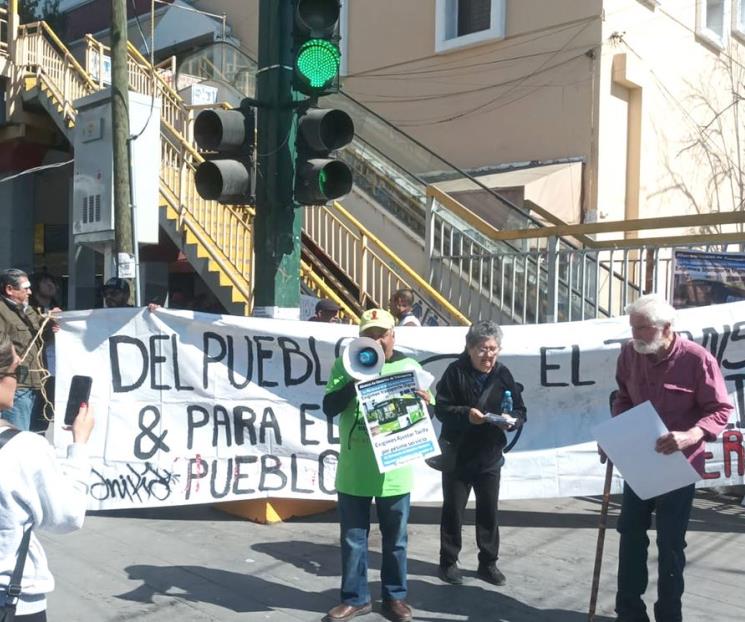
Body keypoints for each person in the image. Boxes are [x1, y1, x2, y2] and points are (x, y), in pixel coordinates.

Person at [606, 294, 732, 622]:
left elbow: (720, 410)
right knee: (630, 534)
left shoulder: (697, 359)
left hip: (680, 466)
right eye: (632, 328)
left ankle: (669, 615)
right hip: (639, 462)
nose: (635, 336)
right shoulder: (629, 355)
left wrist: (691, 435)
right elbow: (622, 398)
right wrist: (618, 433)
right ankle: (629, 612)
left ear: (666, 328)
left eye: (643, 329)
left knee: (670, 544)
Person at [323, 308, 432, 622]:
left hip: (394, 472)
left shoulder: (409, 366)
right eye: (368, 335)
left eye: (380, 334)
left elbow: (430, 414)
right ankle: (355, 598)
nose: (376, 340)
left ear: (392, 335)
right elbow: (329, 407)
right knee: (353, 539)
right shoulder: (345, 366)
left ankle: (394, 598)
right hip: (354, 470)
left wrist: (426, 403)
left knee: (395, 540)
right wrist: (352, 380)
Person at [0, 335, 94, 621]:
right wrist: (79, 445)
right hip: (12, 599)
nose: (19, 376)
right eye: (17, 372)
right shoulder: (24, 448)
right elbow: (68, 517)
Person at [434, 320, 526, 587]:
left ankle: (488, 562)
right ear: (470, 348)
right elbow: (441, 410)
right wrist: (466, 415)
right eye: (483, 349)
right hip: (458, 455)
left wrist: (512, 420)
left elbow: (521, 411)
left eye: (494, 349)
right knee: (453, 511)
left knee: (489, 512)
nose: (489, 356)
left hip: (489, 455)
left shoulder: (503, 373)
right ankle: (448, 561)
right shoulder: (454, 372)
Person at [0, 269, 56, 431]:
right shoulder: (1, 311)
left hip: (37, 383)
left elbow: (40, 335)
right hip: (17, 386)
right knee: (18, 437)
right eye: (25, 288)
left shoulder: (28, 310)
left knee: (36, 435)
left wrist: (52, 322)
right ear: (10, 289)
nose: (30, 292)